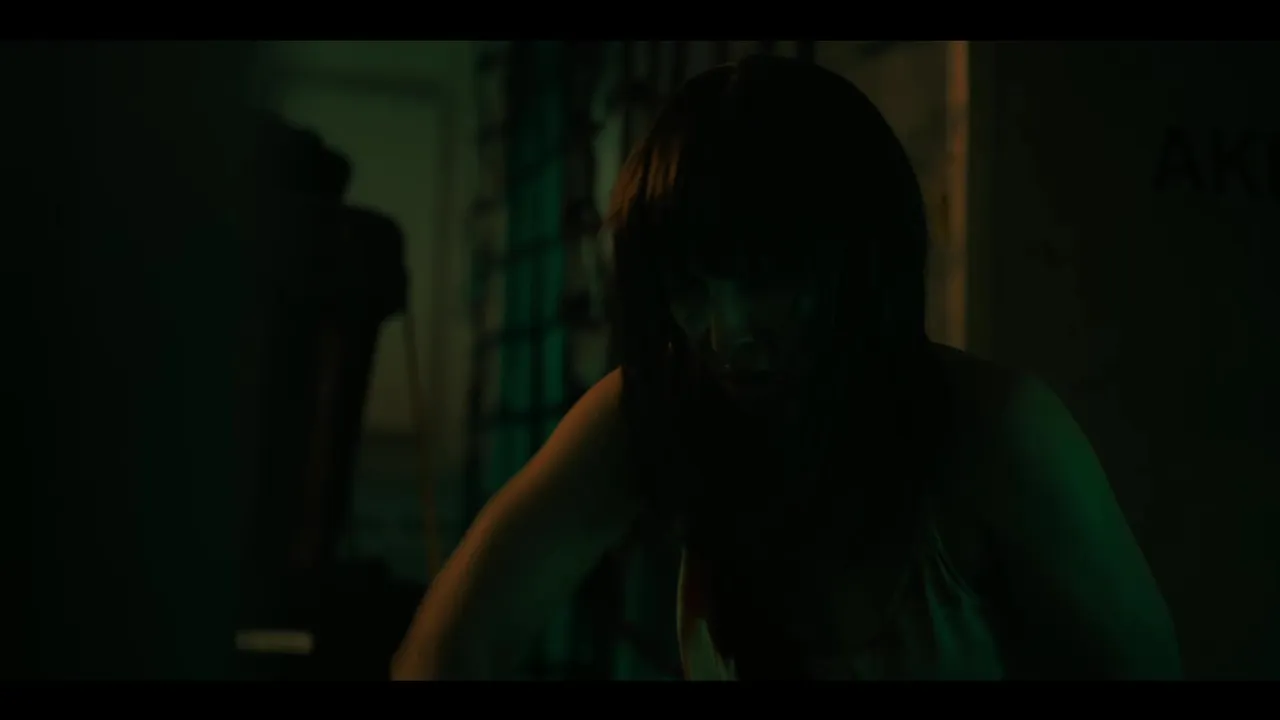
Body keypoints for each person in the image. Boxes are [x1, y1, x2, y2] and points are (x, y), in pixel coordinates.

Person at [391, 55, 1180, 680]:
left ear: (860, 264)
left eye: (768, 277)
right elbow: (448, 652)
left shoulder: (998, 433)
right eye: (690, 287)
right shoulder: (662, 404)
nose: (728, 332)